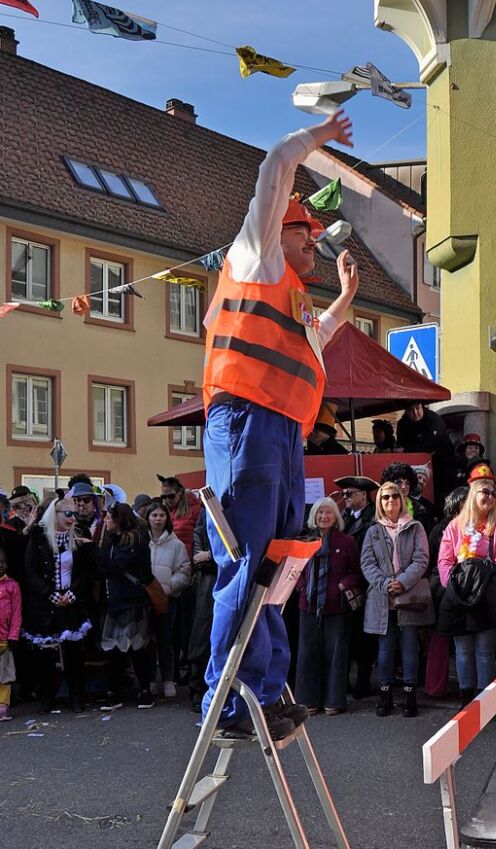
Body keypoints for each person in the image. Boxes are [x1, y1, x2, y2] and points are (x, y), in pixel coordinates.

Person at [201, 109, 359, 741]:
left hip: (280, 433)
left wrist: (345, 302)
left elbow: (312, 344)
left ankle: (264, 693)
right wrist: (313, 139)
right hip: (246, 425)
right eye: (307, 233)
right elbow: (274, 168)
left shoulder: (292, 292)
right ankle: (228, 701)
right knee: (247, 564)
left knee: (278, 565)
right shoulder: (257, 256)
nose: (312, 243)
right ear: (282, 231)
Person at [437, 465, 496, 703]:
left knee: (484, 650)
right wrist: (453, 584)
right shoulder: (455, 525)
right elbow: (444, 559)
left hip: (487, 596)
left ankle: (485, 700)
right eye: (485, 492)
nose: (490, 497)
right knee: (463, 650)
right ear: (474, 495)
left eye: (493, 493)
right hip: (460, 594)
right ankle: (466, 697)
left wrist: (484, 584)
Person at [360, 481, 433, 718]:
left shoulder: (416, 527)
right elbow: (367, 563)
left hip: (408, 594)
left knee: (410, 646)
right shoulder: (373, 531)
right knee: (385, 648)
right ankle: (385, 695)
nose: (390, 501)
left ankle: (410, 695)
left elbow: (421, 559)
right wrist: (384, 584)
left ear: (402, 500)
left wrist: (402, 581)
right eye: (385, 497)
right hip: (382, 598)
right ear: (379, 502)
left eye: (394, 496)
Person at [23, 495, 95, 714]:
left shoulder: (80, 537)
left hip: (71, 603)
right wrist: (49, 594)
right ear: (55, 514)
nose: (72, 518)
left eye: (73, 513)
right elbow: (30, 570)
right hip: (46, 604)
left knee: (74, 653)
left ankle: (76, 697)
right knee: (45, 654)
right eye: (68, 513)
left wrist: (73, 593)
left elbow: (85, 571)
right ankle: (47, 698)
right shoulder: (38, 537)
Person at [295, 498, 360, 715]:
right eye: (320, 512)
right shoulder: (304, 540)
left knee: (336, 654)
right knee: (307, 653)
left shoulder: (347, 542)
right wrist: (303, 587)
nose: (324, 516)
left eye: (328, 512)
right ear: (314, 516)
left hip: (336, 606)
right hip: (309, 605)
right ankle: (308, 700)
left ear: (336, 517)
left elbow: (356, 572)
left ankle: (334, 701)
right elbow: (295, 571)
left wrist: (343, 585)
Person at [99, 503, 155, 711]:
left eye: (109, 518)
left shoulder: (135, 540)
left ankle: (145, 690)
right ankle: (115, 691)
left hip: (133, 602)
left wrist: (92, 550)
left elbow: (114, 567)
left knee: (137, 647)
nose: (105, 521)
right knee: (112, 648)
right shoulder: (113, 541)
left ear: (119, 520)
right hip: (115, 602)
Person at [335, 475, 378, 699]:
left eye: (350, 494)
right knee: (346, 637)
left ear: (363, 495)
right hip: (344, 588)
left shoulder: (372, 520)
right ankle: (344, 684)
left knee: (364, 639)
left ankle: (363, 683)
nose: (345, 498)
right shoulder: (342, 518)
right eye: (343, 495)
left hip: (364, 586)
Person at [424, 486, 468, 698]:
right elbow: (432, 561)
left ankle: (465, 687)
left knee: (464, 645)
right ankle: (435, 687)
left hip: (464, 590)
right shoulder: (440, 529)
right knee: (440, 640)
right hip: (442, 591)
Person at [145, 501, 191, 699]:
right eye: (154, 515)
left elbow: (184, 571)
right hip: (145, 599)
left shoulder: (176, 544)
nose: (157, 519)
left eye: (161, 515)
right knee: (147, 641)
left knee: (166, 641)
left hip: (167, 599)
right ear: (147, 518)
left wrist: (168, 587)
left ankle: (168, 679)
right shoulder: (141, 542)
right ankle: (149, 679)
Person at [187, 513, 217, 713]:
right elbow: (198, 559)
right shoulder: (202, 523)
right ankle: (197, 689)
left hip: (225, 585)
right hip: (205, 589)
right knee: (200, 639)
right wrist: (213, 557)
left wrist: (210, 555)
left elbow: (235, 556)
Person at [395, 401, 454, 503]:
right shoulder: (403, 424)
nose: (415, 413)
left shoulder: (434, 419)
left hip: (442, 467)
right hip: (416, 470)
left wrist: (407, 449)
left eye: (417, 408)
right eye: (411, 410)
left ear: (422, 406)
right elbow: (400, 447)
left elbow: (430, 446)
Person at [381, 461, 434, 531]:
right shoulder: (380, 508)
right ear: (390, 484)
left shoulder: (420, 510)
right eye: (399, 482)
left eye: (407, 483)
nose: (404, 486)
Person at [0, 549, 21, 721]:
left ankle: (3, 705)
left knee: (5, 673)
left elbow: (16, 613)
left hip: (4, 637)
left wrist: (13, 636)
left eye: (3, 562)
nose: (0, 565)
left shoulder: (12, 586)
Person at [157, 476, 201, 558]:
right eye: (164, 497)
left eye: (171, 496)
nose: (167, 500)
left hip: (188, 559)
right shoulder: (164, 512)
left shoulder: (194, 509)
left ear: (180, 492)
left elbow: (200, 537)